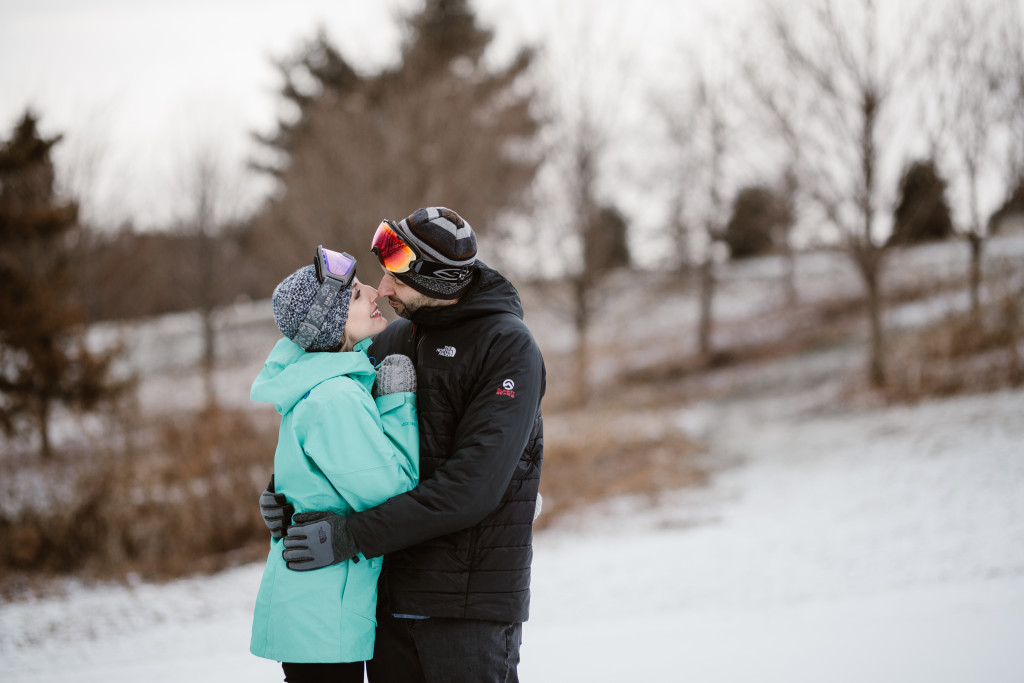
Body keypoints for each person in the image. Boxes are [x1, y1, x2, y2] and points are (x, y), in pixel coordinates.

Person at [264, 207, 546, 683]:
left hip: (465, 611)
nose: (384, 289)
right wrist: (285, 492)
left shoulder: (508, 347)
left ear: (437, 282)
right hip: (389, 607)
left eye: (398, 278)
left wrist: (349, 536)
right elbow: (335, 427)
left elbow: (472, 489)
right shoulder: (392, 338)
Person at [250, 246, 419, 683]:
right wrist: (397, 402)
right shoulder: (335, 398)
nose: (375, 296)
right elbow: (394, 493)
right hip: (323, 612)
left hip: (313, 606)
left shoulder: (313, 385)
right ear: (335, 321)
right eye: (360, 295)